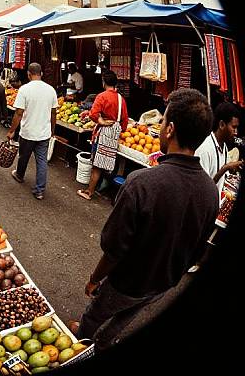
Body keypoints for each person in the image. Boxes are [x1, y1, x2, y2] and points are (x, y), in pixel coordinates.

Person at [69, 89, 219, 351]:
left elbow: (114, 248)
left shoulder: (142, 183)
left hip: (128, 281)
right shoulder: (210, 191)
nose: (160, 128)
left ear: (170, 129)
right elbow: (198, 250)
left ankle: (80, 346)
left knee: (95, 316)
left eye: (162, 123)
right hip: (163, 284)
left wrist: (94, 279)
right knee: (126, 318)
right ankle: (102, 343)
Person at [7, 62, 58, 200]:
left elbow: (18, 113)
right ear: (41, 73)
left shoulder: (24, 89)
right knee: (42, 161)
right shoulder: (51, 90)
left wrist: (12, 130)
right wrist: (52, 130)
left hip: (28, 132)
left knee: (24, 156)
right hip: (44, 133)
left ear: (29, 74)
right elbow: (54, 113)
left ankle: (19, 175)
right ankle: (39, 190)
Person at [77, 70, 129, 201]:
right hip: (114, 134)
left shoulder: (102, 96)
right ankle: (102, 187)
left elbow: (94, 114)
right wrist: (118, 130)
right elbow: (124, 121)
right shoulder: (120, 99)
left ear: (104, 82)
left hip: (103, 133)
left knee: (96, 164)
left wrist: (101, 121)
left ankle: (89, 192)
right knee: (108, 162)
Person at [195, 102, 243, 193]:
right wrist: (226, 167)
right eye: (233, 127)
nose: (236, 132)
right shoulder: (204, 148)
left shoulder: (223, 146)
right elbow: (203, 190)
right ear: (221, 124)